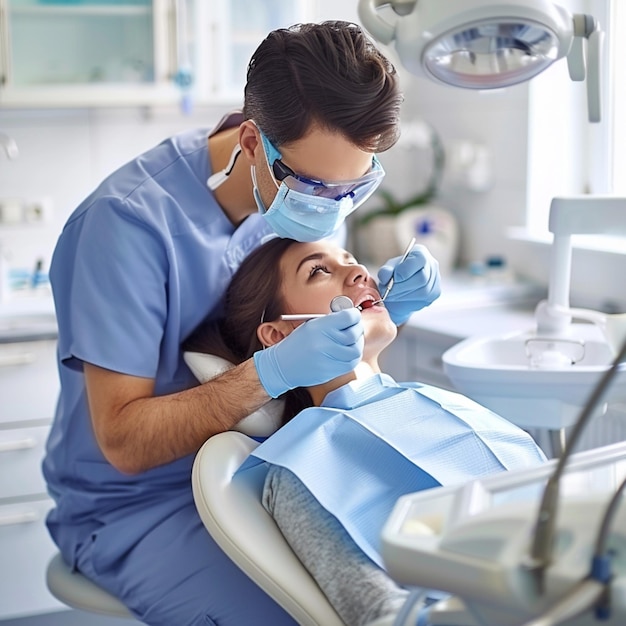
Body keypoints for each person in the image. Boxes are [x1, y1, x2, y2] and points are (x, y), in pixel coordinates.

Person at [42, 20, 442, 626]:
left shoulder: (297, 188)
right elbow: (123, 443)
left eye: (354, 187)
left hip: (271, 468)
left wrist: (381, 318)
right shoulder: (127, 227)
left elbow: (308, 345)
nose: (331, 206)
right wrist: (272, 372)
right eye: (313, 185)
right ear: (251, 141)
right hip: (139, 506)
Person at [183, 237, 547, 626]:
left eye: (352, 260)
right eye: (319, 270)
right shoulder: (300, 472)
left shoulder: (431, 400)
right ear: (278, 336)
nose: (360, 273)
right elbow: (385, 616)